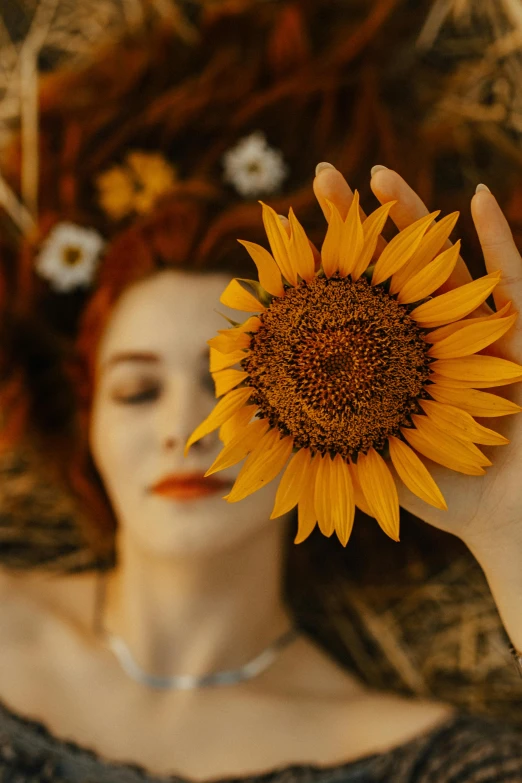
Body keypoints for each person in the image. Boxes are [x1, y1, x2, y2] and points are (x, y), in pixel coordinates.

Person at [0, 3, 521, 781]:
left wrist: (513, 529)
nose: (187, 427)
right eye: (138, 391)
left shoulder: (430, 760)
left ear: (330, 428)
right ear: (88, 426)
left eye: (235, 388)